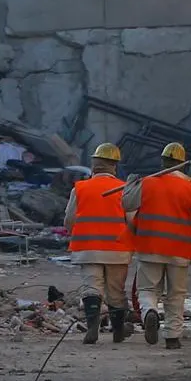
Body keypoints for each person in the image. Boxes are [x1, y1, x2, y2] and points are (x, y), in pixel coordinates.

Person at [122, 142, 191, 349]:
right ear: (182, 165)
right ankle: (172, 336)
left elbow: (127, 205)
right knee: (176, 294)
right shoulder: (190, 189)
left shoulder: (147, 183)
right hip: (180, 252)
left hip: (150, 248)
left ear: (162, 161)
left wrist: (131, 183)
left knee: (147, 290)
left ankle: (149, 313)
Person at [65, 143, 133, 343]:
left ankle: (92, 328)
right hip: (117, 249)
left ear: (94, 166)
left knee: (91, 287)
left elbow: (69, 220)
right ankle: (118, 331)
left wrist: (78, 232)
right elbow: (132, 220)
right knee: (116, 291)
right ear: (114, 166)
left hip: (87, 248)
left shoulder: (80, 188)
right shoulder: (124, 189)